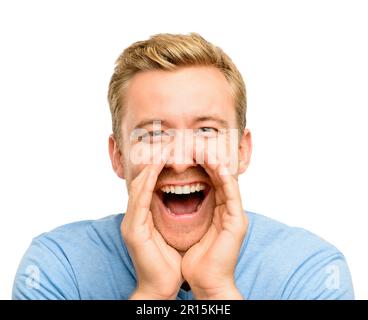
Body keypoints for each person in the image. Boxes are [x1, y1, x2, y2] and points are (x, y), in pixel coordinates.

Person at [12, 33, 354, 300]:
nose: (178, 160)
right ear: (118, 156)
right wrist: (153, 294)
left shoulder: (311, 270)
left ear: (242, 150)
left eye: (206, 131)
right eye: (154, 134)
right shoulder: (58, 267)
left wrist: (217, 292)